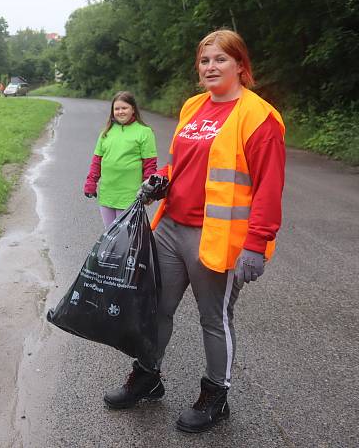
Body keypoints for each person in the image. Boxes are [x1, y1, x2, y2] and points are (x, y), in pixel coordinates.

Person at [104, 29, 285, 433]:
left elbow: (270, 188)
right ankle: (148, 376)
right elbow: (181, 164)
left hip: (216, 236)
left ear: (241, 64)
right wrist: (160, 181)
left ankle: (215, 394)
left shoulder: (260, 118)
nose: (210, 67)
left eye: (220, 59)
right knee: (157, 308)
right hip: (170, 227)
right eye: (204, 60)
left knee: (213, 318)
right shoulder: (193, 106)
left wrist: (256, 245)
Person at [83, 91, 158, 226]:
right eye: (117, 108)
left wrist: (148, 189)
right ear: (112, 111)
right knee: (110, 234)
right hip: (107, 193)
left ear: (133, 109)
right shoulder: (106, 132)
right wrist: (91, 182)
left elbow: (150, 165)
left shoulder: (144, 132)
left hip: (130, 195)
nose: (120, 112)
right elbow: (97, 161)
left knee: (124, 237)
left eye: (124, 108)